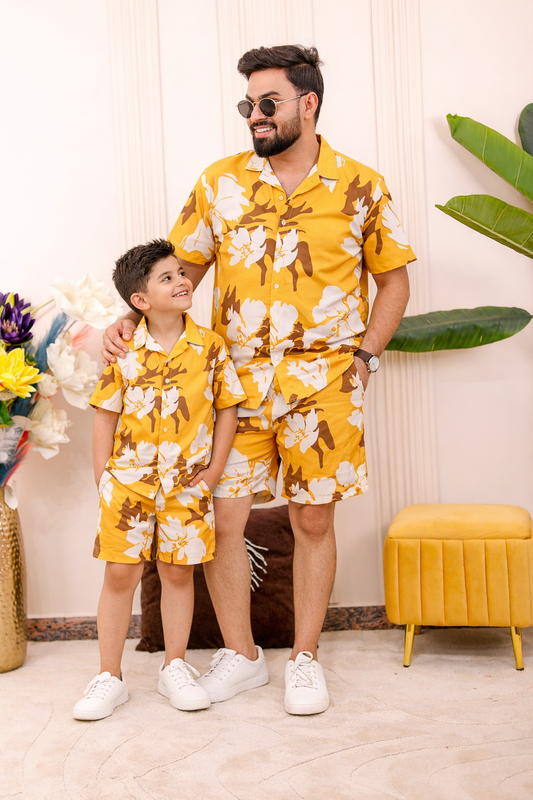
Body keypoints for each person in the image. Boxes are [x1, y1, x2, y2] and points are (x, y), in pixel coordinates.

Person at [103, 45, 414, 716]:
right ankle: (242, 657)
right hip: (234, 384)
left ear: (309, 103)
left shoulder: (361, 185)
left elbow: (392, 281)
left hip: (325, 380)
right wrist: (123, 321)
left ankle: (304, 657)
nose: (253, 116)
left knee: (311, 516)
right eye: (246, 105)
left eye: (266, 103)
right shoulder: (219, 183)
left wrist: (363, 357)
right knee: (222, 517)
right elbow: (176, 270)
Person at [73, 239, 251, 721]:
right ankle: (109, 677)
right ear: (140, 301)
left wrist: (213, 473)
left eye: (181, 273)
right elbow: (105, 415)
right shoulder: (125, 349)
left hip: (187, 486)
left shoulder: (211, 347)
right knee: (119, 574)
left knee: (177, 573)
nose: (182, 281)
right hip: (127, 485)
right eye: (167, 277)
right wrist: (102, 478)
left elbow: (228, 410)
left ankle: (175, 666)